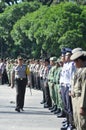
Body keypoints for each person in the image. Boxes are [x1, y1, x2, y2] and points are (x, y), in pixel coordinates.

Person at [70, 49, 86, 130]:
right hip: (76, 98)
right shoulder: (79, 70)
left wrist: (82, 107)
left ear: (79, 60)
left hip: (80, 100)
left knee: (82, 123)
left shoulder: (84, 71)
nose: (74, 64)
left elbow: (84, 90)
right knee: (77, 121)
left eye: (75, 62)